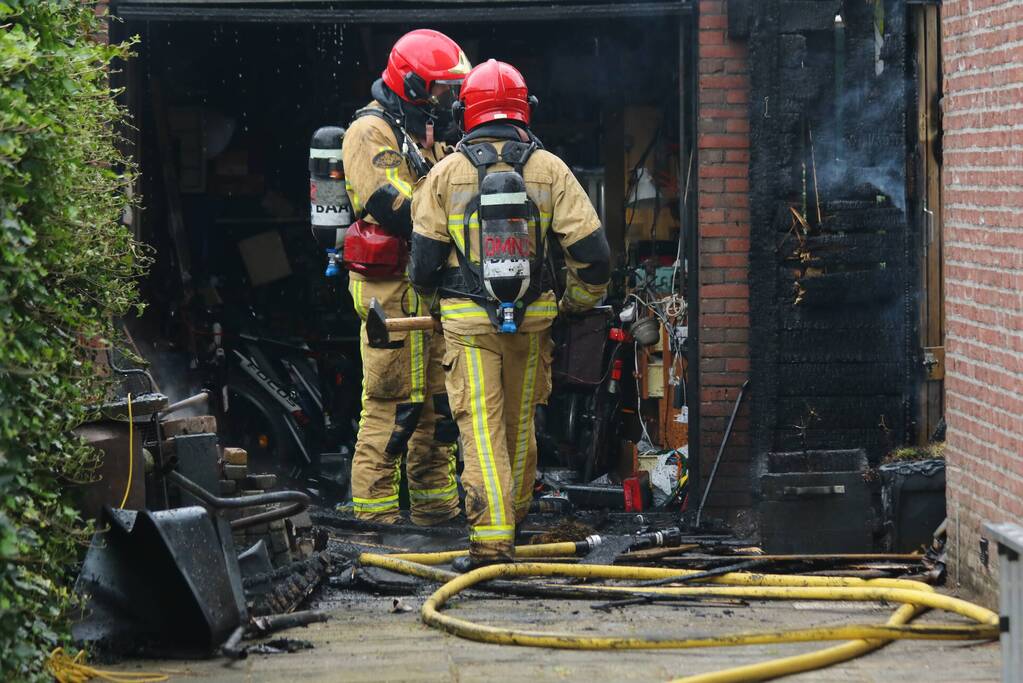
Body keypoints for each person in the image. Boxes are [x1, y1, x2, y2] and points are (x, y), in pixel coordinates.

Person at [409, 59, 610, 568]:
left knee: (481, 428)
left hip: (468, 327)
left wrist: (437, 308)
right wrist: (575, 303)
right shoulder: (550, 170)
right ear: (526, 110)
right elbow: (594, 255)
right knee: (520, 426)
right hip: (533, 320)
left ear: (466, 112)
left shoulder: (445, 174)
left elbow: (423, 266)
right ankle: (513, 520)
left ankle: (492, 542)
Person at [342, 29, 470, 526]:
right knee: (391, 407)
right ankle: (373, 524)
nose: (449, 97)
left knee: (438, 410)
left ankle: (436, 515)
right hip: (390, 295)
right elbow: (394, 206)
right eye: (442, 88)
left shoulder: (428, 133)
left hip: (429, 290)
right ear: (413, 84)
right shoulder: (370, 132)